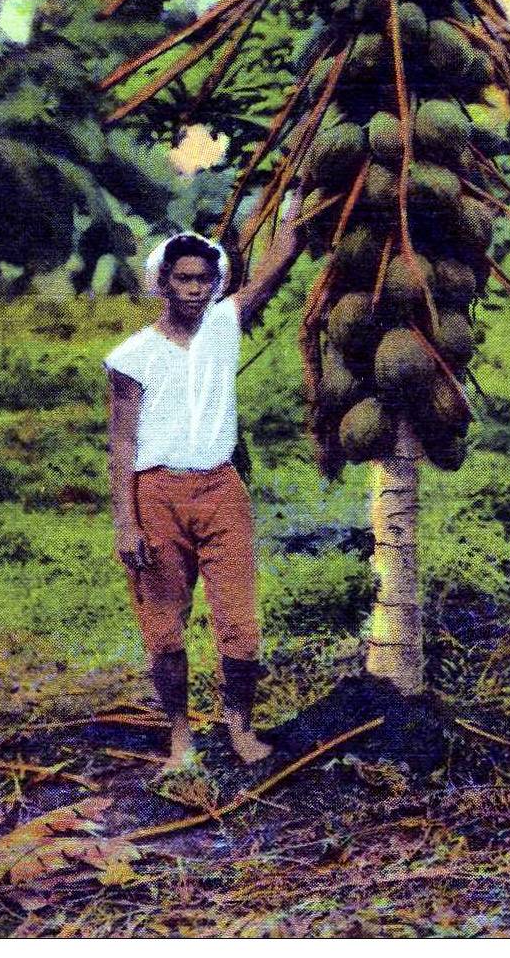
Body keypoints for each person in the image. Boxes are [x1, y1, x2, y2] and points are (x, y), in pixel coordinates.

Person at [104, 196, 303, 770]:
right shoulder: (130, 356)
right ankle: (180, 734)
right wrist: (127, 522)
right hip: (156, 495)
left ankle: (239, 727)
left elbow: (276, 267)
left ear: (216, 284)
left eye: (204, 279)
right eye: (183, 279)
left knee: (239, 625)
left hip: (221, 491)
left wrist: (291, 212)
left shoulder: (224, 325)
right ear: (163, 283)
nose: (194, 289)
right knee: (164, 630)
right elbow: (120, 444)